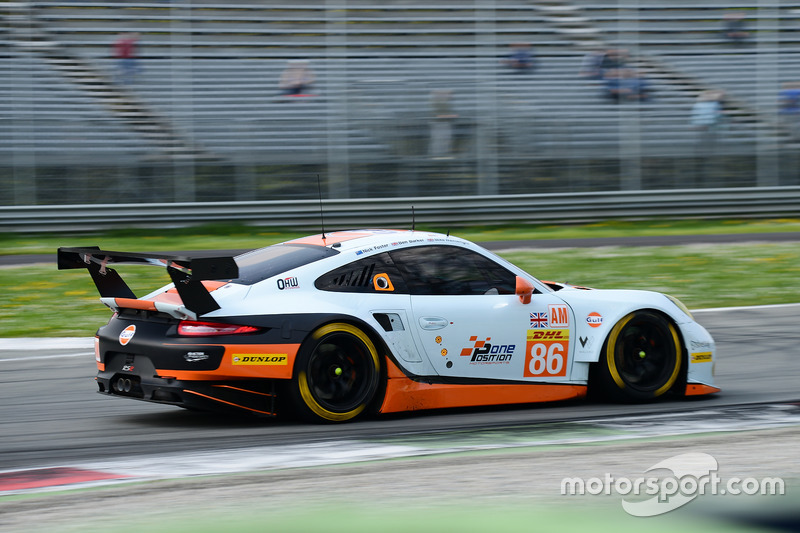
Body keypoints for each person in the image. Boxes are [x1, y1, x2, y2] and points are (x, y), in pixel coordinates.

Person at [429, 89, 457, 159]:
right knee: (439, 140)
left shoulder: (446, 103)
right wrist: (452, 116)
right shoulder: (436, 103)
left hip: (445, 123)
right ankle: (438, 155)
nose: (450, 95)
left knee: (446, 140)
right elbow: (437, 115)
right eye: (448, 94)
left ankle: (444, 154)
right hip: (439, 124)